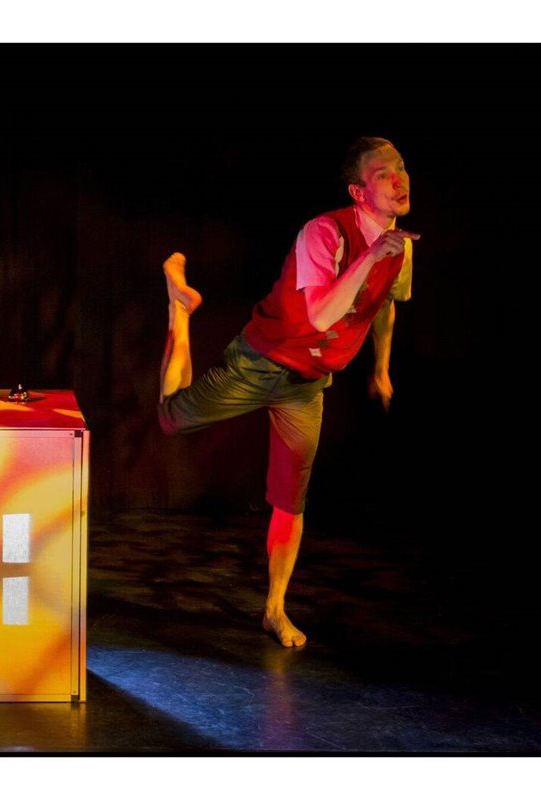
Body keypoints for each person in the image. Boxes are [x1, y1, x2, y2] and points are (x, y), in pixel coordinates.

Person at [158, 137, 419, 648]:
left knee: (289, 500)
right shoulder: (324, 232)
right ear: (358, 192)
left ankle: (274, 609)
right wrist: (371, 256)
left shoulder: (400, 247)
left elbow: (385, 304)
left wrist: (382, 368)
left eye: (402, 167)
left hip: (307, 385)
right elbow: (320, 314)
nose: (399, 179)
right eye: (383, 173)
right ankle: (179, 310)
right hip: (262, 361)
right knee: (171, 419)